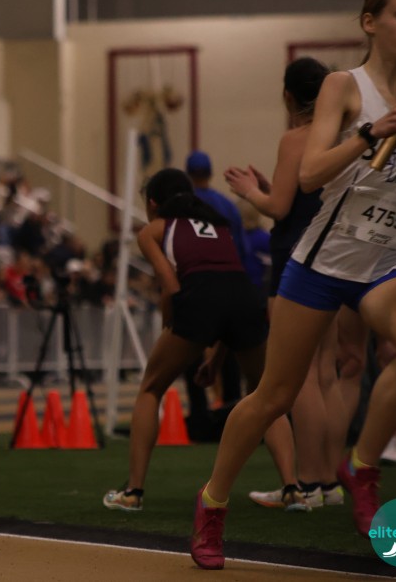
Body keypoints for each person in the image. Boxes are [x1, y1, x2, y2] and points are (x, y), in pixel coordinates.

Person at [192, 0, 396, 570]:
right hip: (323, 262)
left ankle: (362, 469)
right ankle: (213, 503)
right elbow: (310, 176)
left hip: (385, 261)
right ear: (369, 22)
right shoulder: (342, 87)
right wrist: (368, 133)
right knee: (274, 395)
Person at [225, 57, 356, 510]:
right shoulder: (343, 138)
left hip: (295, 262)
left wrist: (249, 192)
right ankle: (331, 483)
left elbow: (278, 209)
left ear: (288, 97)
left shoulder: (297, 138)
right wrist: (269, 187)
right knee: (326, 374)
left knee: (296, 378)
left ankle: (308, 484)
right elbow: (300, 198)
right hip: (333, 256)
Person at [102, 168, 272, 512]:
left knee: (151, 388)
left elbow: (171, 284)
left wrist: (172, 323)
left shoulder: (155, 229)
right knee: (268, 394)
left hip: (200, 300)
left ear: (153, 203)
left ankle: (133, 492)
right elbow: (228, 288)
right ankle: (295, 487)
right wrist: (217, 356)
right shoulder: (220, 224)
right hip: (245, 299)